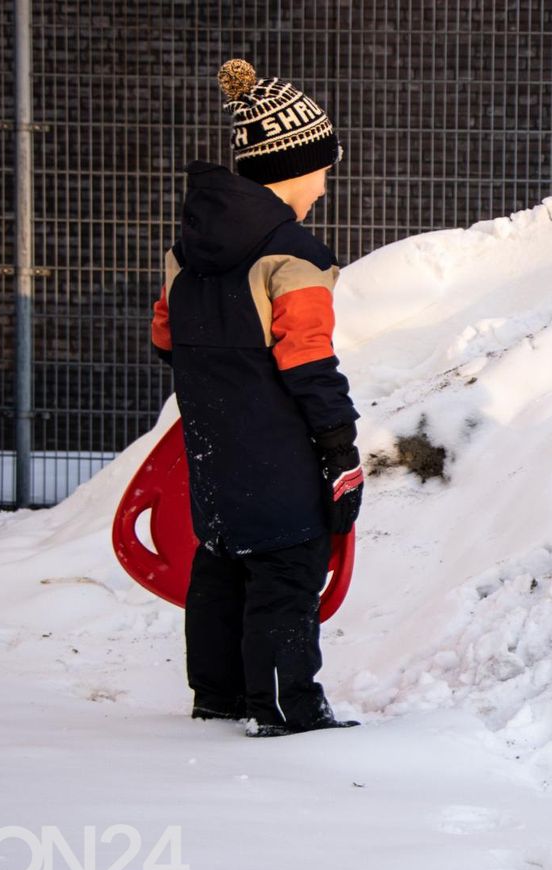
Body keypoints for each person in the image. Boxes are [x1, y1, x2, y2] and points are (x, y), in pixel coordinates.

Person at [150, 60, 363, 737]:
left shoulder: (187, 249)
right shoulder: (292, 257)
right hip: (278, 453)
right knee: (286, 572)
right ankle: (283, 708)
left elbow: (165, 338)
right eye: (323, 170)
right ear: (294, 170)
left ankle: (217, 695)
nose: (326, 187)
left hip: (214, 447)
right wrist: (339, 447)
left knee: (221, 560)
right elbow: (310, 365)